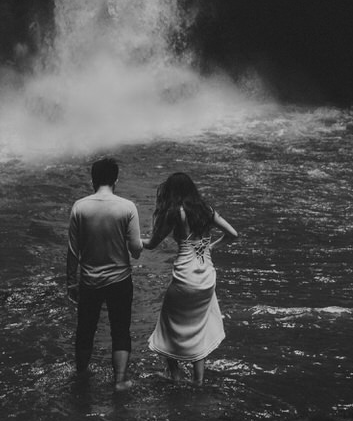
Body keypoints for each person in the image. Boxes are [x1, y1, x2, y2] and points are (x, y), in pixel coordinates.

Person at [144, 172, 238, 385]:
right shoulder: (207, 210)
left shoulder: (176, 213)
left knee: (168, 324)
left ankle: (174, 375)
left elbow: (151, 243)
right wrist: (210, 247)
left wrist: (130, 241)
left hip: (185, 277)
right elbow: (233, 234)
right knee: (199, 327)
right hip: (206, 277)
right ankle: (198, 381)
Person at [66, 157, 143, 389]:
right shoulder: (127, 207)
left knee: (85, 330)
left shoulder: (80, 207)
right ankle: (120, 380)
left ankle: (81, 376)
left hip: (89, 280)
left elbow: (72, 250)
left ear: (93, 180)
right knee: (120, 330)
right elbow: (136, 250)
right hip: (120, 280)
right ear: (116, 180)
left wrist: (71, 282)